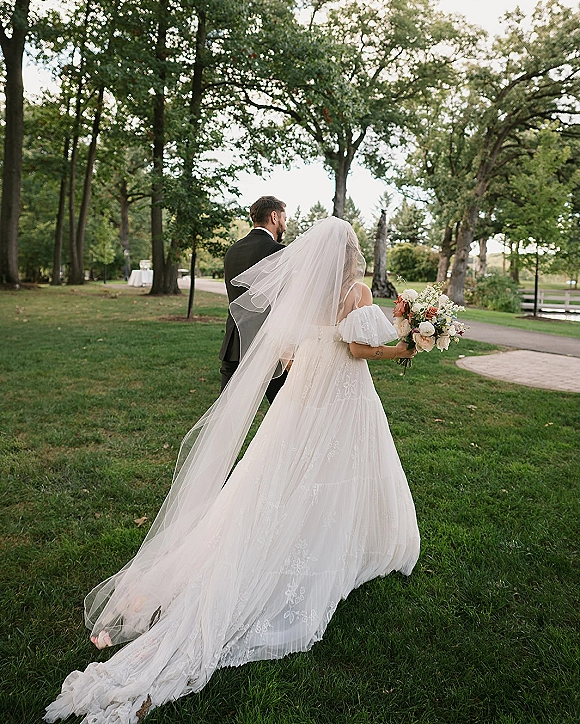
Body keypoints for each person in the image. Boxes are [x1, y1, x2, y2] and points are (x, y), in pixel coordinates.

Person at [45, 217, 419, 724]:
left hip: (304, 394)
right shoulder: (356, 289)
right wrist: (408, 345)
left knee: (275, 475)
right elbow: (357, 349)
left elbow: (289, 347)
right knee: (334, 473)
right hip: (340, 397)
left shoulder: (306, 291)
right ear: (350, 250)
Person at [220, 195, 287, 403]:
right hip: (268, 345)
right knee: (285, 411)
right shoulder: (277, 251)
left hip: (235, 343)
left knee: (225, 415)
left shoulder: (233, 250)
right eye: (284, 218)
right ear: (274, 217)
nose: (285, 224)